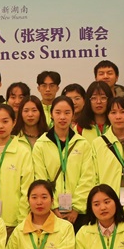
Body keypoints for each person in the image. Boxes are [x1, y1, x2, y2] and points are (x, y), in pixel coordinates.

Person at [32, 96, 98, 231]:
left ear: (73, 115)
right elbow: (40, 177)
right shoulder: (41, 144)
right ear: (51, 114)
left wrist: (76, 208)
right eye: (58, 112)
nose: (62, 117)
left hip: (79, 213)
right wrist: (53, 206)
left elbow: (88, 177)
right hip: (50, 211)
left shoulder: (82, 144)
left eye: (67, 113)